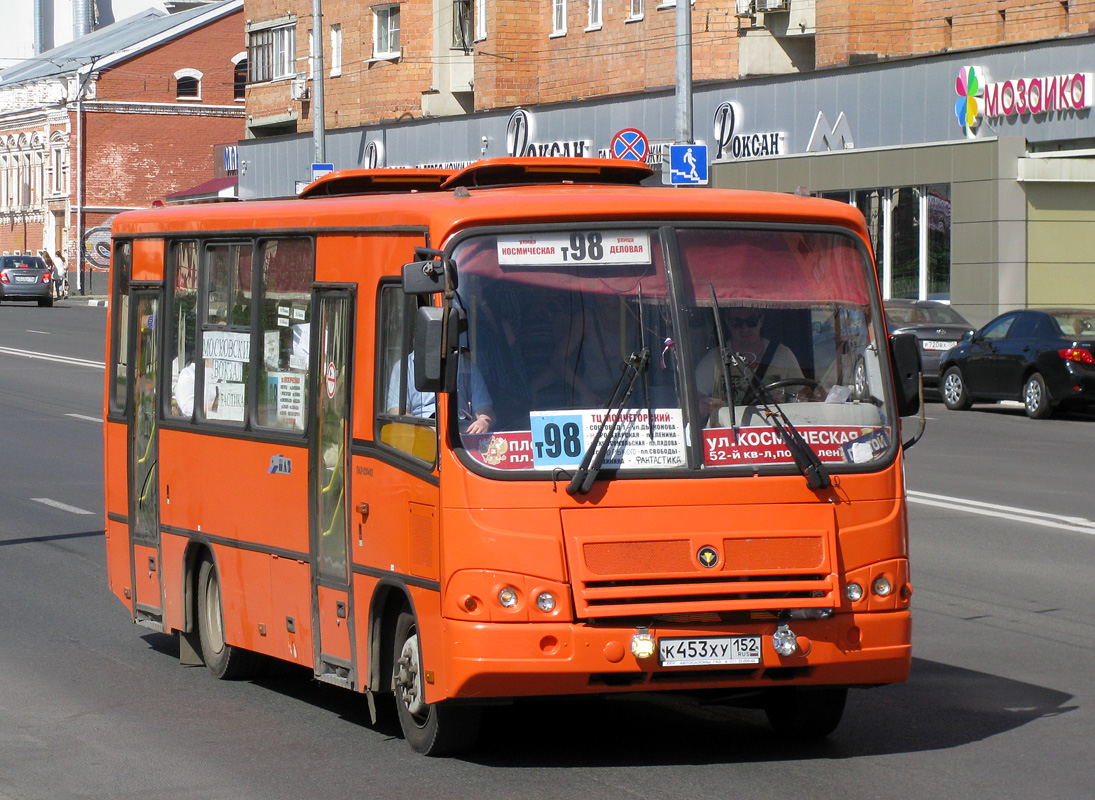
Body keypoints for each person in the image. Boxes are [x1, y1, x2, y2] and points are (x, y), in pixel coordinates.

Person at [695, 306, 806, 422]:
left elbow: (805, 396)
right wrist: (703, 405)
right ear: (728, 323)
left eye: (751, 321)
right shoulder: (715, 358)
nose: (745, 328)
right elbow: (691, 400)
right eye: (737, 323)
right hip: (728, 434)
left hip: (775, 433)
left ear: (761, 320)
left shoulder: (783, 354)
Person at [387, 350, 495, 434]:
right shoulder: (405, 367)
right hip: (419, 437)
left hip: (460, 437)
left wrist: (483, 422)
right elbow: (397, 412)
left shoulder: (467, 367)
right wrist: (428, 429)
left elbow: (485, 409)